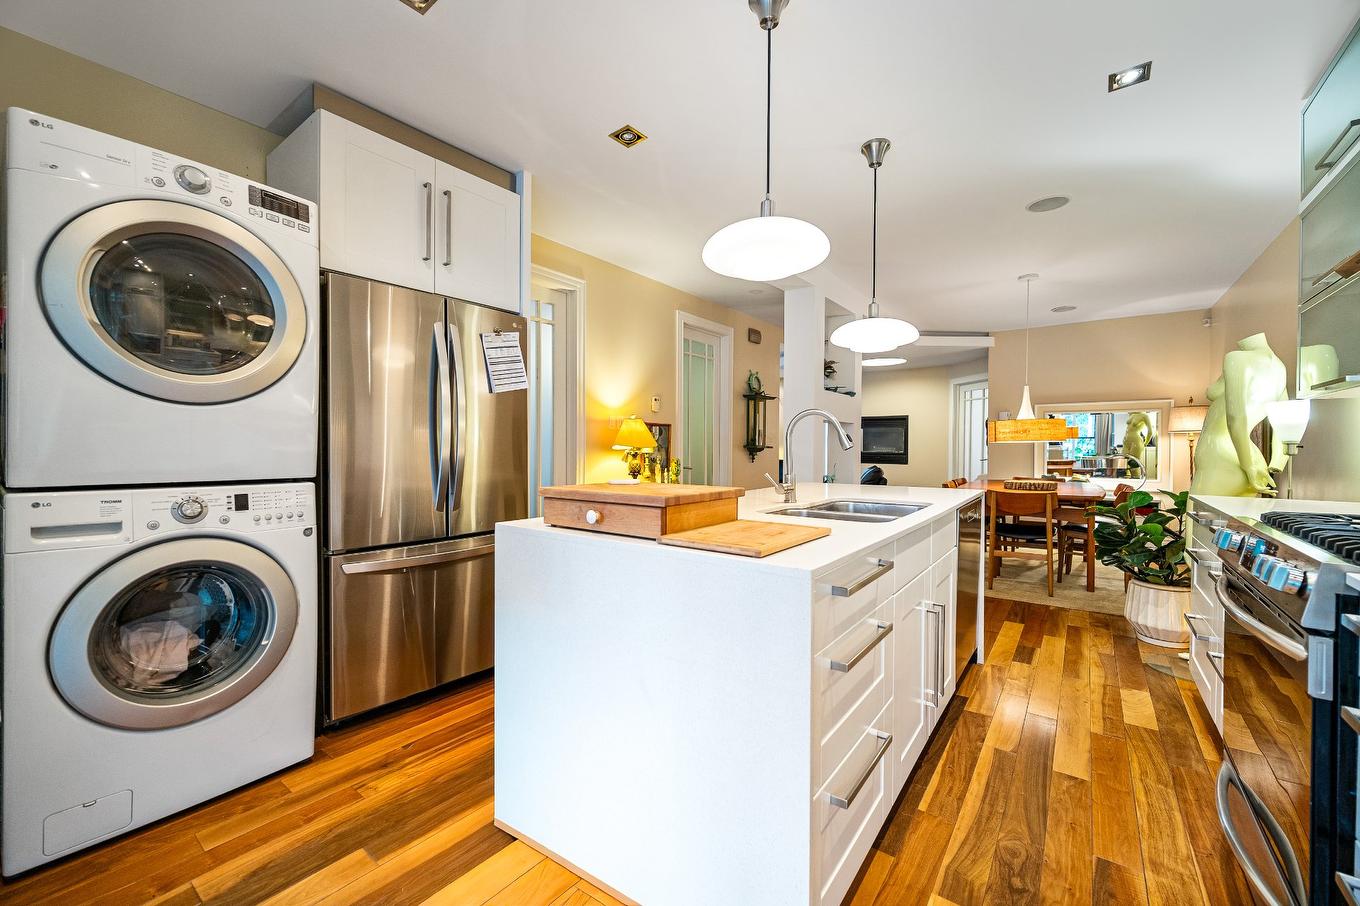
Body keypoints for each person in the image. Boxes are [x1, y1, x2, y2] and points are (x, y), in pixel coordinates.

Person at [1191, 333, 1288, 496]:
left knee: (1195, 519)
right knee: (1244, 520)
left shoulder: (1237, 359)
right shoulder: (1280, 369)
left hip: (1219, 453)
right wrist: (1277, 462)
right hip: (1253, 458)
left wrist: (1248, 465)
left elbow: (1235, 418)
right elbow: (1284, 422)